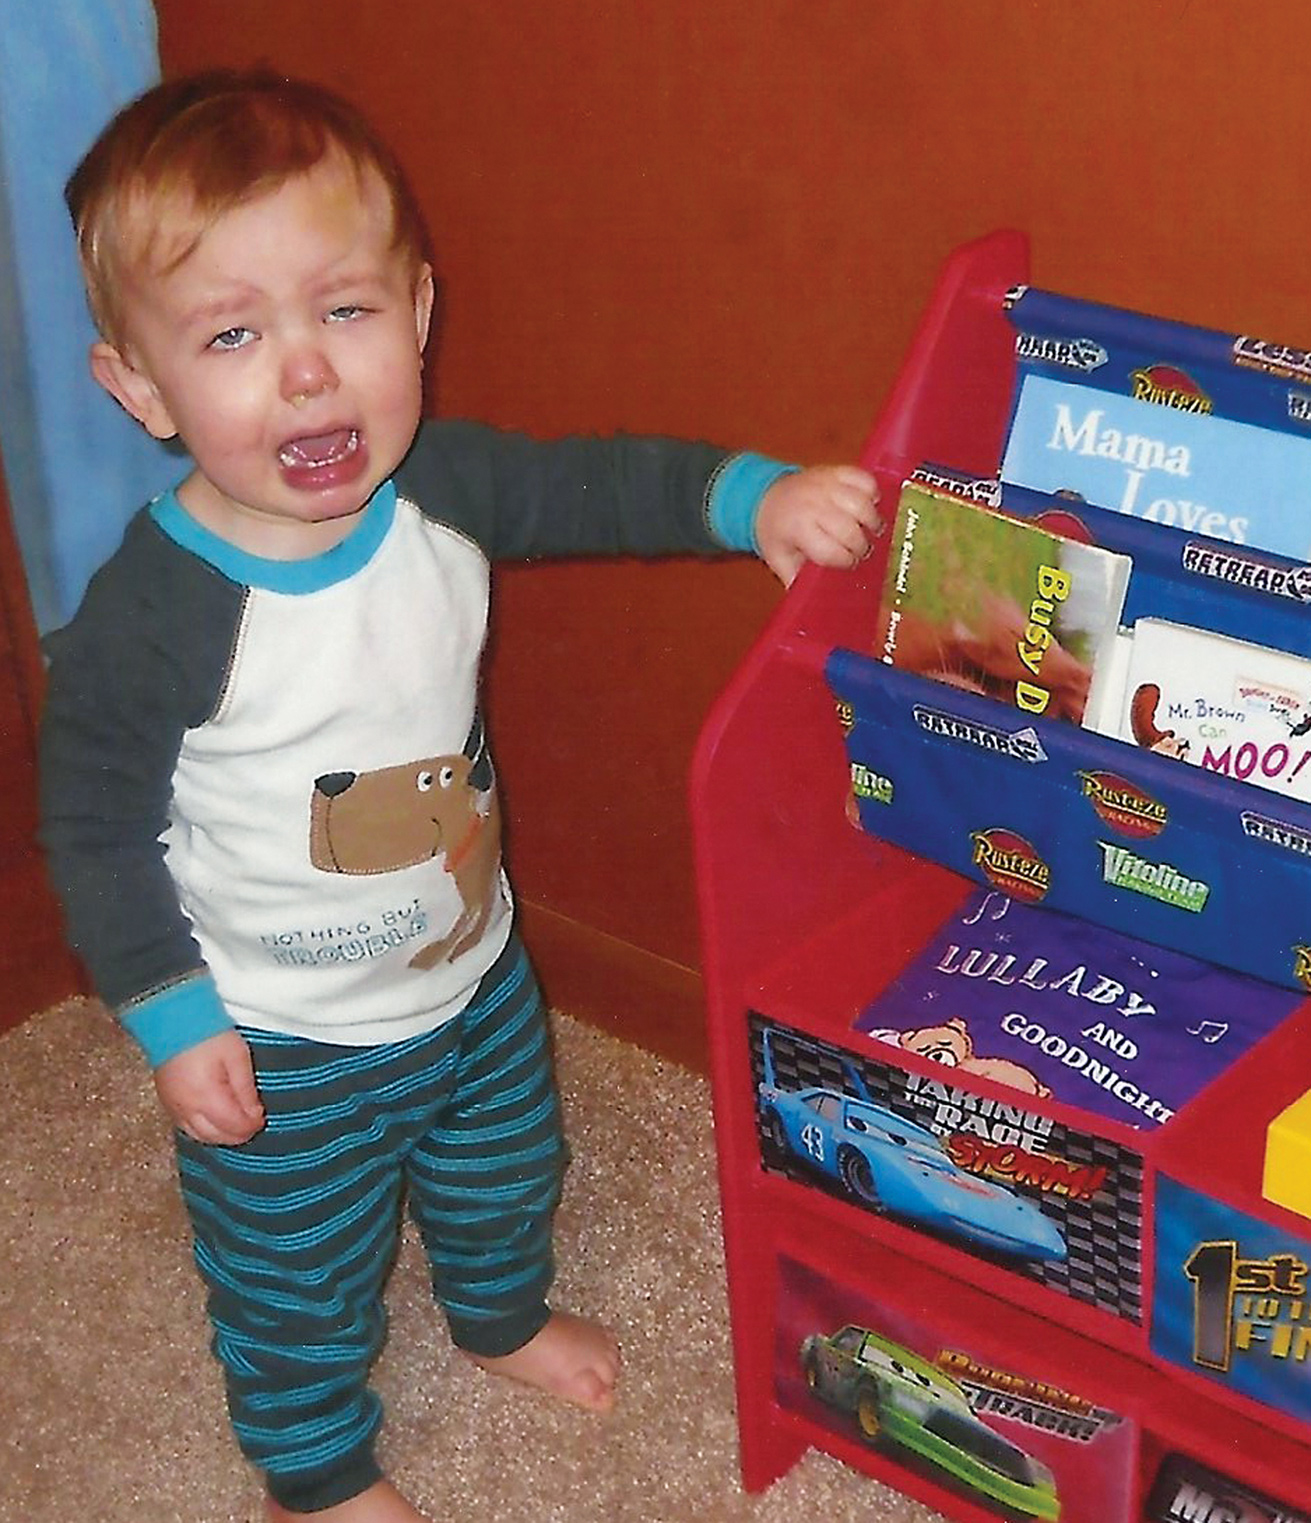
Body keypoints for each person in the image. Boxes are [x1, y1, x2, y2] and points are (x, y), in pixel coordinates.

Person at [38, 70, 878, 1523]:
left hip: (471, 970)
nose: (306, 372)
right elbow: (96, 826)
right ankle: (311, 1470)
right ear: (141, 387)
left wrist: (751, 502)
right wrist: (171, 1015)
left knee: (506, 1168)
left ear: (418, 313)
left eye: (344, 311)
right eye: (234, 335)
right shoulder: (154, 616)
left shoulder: (442, 486)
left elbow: (598, 484)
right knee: (290, 1267)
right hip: (281, 1034)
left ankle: (497, 1317)